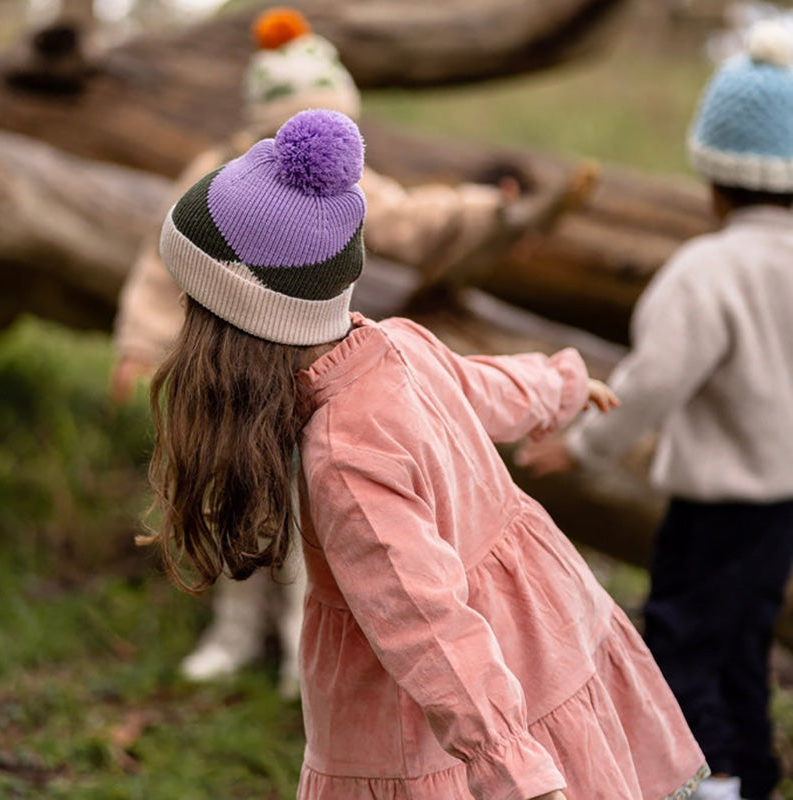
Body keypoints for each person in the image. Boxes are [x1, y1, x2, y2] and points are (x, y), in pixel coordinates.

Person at [144, 106, 707, 800]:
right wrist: (557, 385)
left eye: (190, 300)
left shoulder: (345, 458)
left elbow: (428, 627)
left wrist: (512, 768)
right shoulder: (396, 343)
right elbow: (478, 385)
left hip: (432, 709)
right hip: (534, 628)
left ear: (236, 327)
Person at [113, 6, 597, 688]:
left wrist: (485, 211)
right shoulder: (219, 176)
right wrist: (140, 340)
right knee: (234, 503)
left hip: (311, 388)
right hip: (233, 389)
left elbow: (408, 215)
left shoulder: (343, 190)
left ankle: (299, 649)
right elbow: (164, 263)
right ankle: (232, 633)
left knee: (306, 519)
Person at [517, 20, 793, 800]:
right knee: (742, 639)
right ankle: (756, 774)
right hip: (781, 506)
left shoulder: (708, 272)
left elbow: (654, 379)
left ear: (713, 176)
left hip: (713, 508)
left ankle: (713, 785)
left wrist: (584, 446)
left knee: (679, 641)